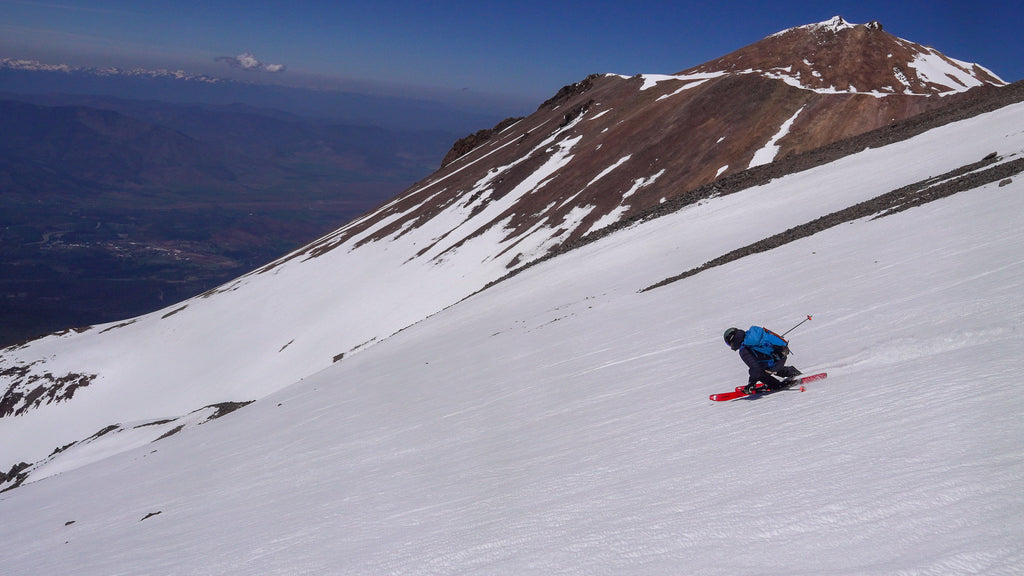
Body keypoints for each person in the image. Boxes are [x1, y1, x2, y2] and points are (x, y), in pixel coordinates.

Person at [723, 326, 802, 394]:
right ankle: (792, 372)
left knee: (761, 372)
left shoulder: (744, 350)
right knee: (769, 367)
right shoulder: (752, 335)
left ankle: (775, 385)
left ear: (732, 340)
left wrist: (751, 383)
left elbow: (755, 368)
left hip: (773, 362)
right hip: (781, 353)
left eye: (728, 343)